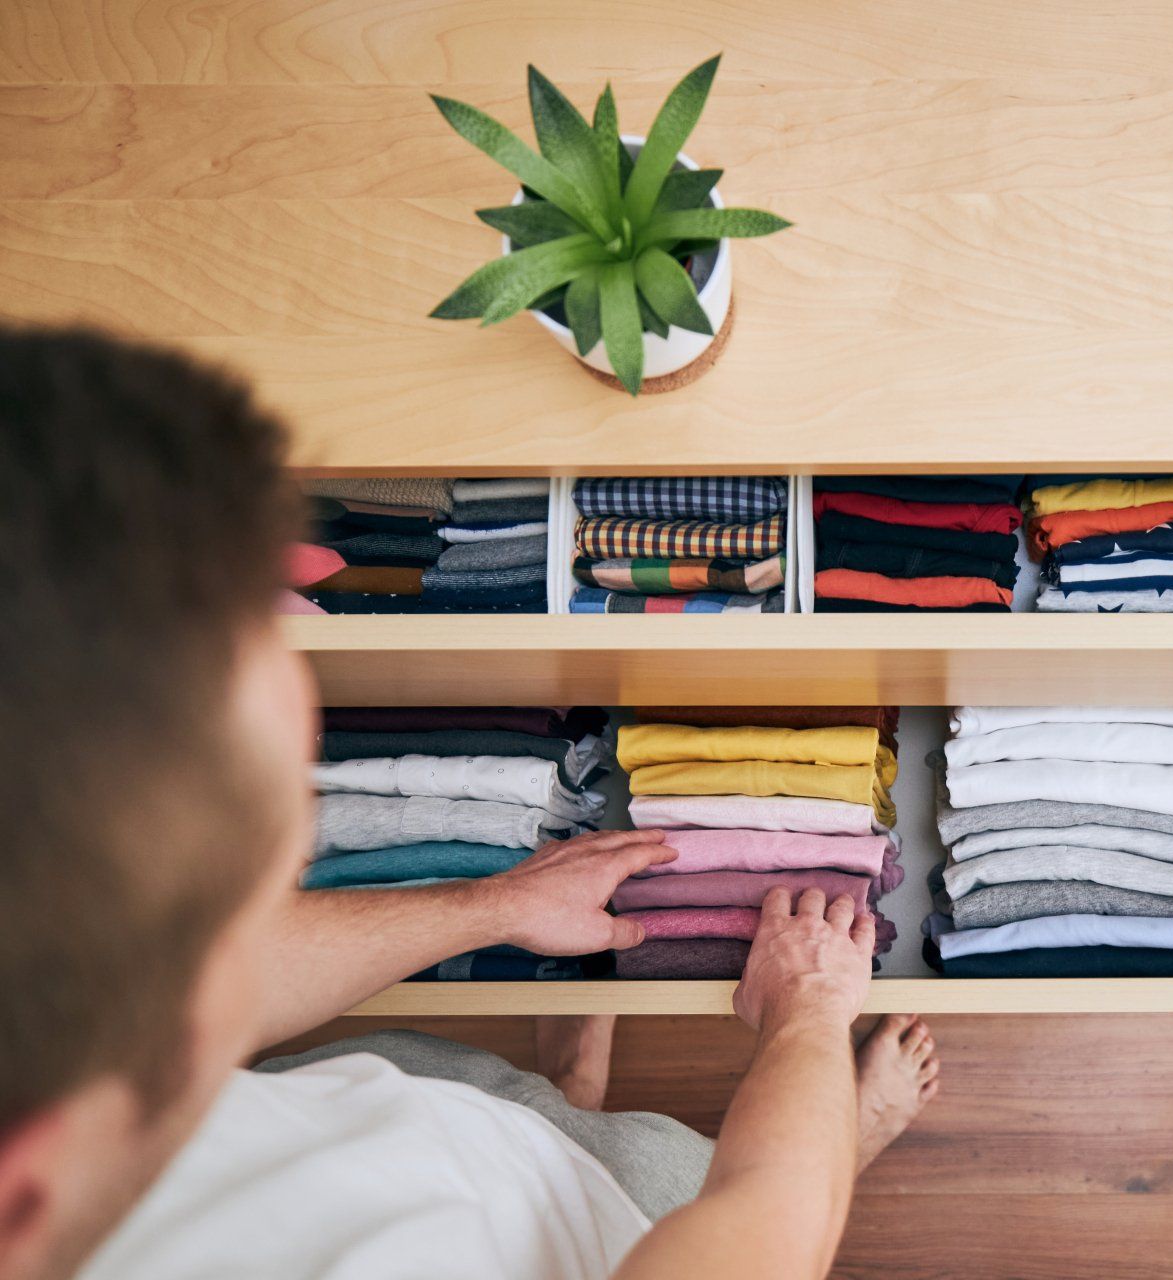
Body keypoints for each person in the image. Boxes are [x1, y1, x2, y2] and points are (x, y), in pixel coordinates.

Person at [0, 328, 940, 1280]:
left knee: (506, 1098)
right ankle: (841, 1138)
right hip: (617, 1223)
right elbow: (767, 1237)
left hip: (412, 1116)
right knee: (719, 1181)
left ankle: (566, 1088)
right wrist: (810, 1016)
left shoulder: (61, 1055)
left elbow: (189, 984)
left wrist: (493, 904)